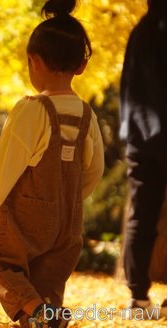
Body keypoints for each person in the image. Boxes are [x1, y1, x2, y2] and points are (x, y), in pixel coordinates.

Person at [0, 0, 104, 326]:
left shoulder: (33, 109)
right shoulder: (86, 114)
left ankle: (40, 313)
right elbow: (94, 168)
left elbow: (8, 161)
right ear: (81, 66)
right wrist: (69, 197)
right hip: (68, 219)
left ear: (34, 61)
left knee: (0, 263)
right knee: (49, 282)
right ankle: (45, 314)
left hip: (27, 217)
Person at [119, 0, 167, 317]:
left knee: (141, 216)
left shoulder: (139, 33)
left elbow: (128, 88)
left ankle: (138, 298)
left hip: (139, 137)